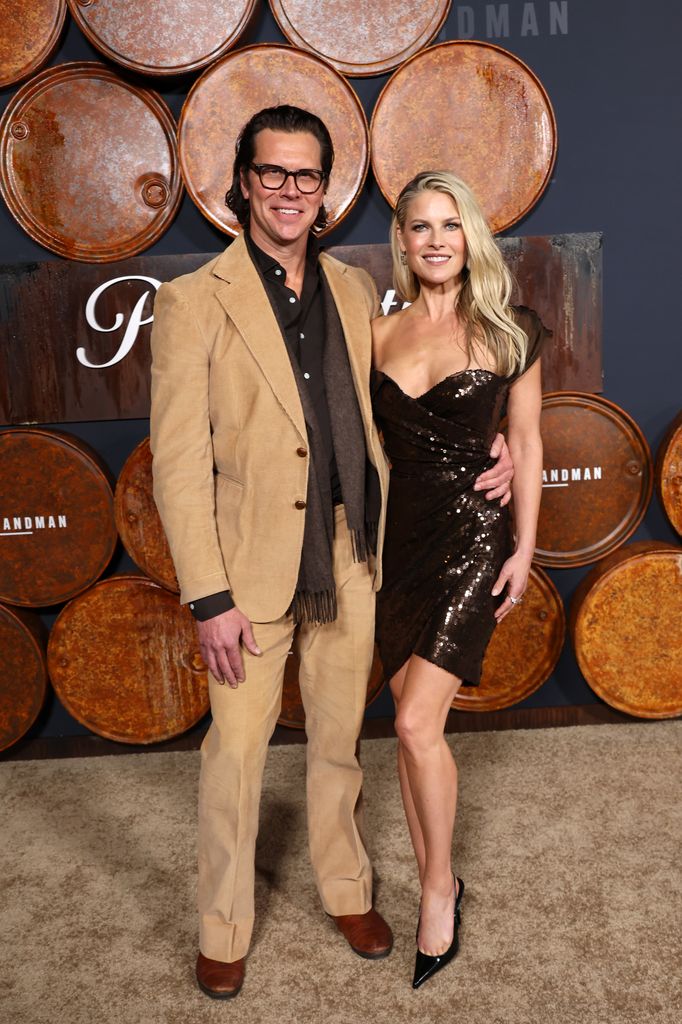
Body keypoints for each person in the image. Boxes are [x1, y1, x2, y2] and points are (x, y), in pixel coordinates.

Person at [150, 108, 514, 1000]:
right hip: (249, 572)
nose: (288, 192)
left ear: (327, 194)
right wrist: (208, 597)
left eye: (306, 178)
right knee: (234, 757)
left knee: (341, 745)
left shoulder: (356, 292)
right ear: (242, 183)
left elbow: (401, 407)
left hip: (354, 558)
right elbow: (178, 463)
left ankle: (346, 887)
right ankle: (224, 925)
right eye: (271, 174)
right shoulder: (194, 300)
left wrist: (486, 448)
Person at [371, 171, 547, 990]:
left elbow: (529, 444)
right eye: (419, 227)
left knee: (412, 724)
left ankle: (439, 890)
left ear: (470, 235)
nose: (436, 240)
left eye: (449, 224)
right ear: (402, 241)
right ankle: (435, 876)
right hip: (396, 544)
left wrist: (525, 548)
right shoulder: (379, 336)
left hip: (474, 539)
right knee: (413, 737)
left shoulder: (510, 333)